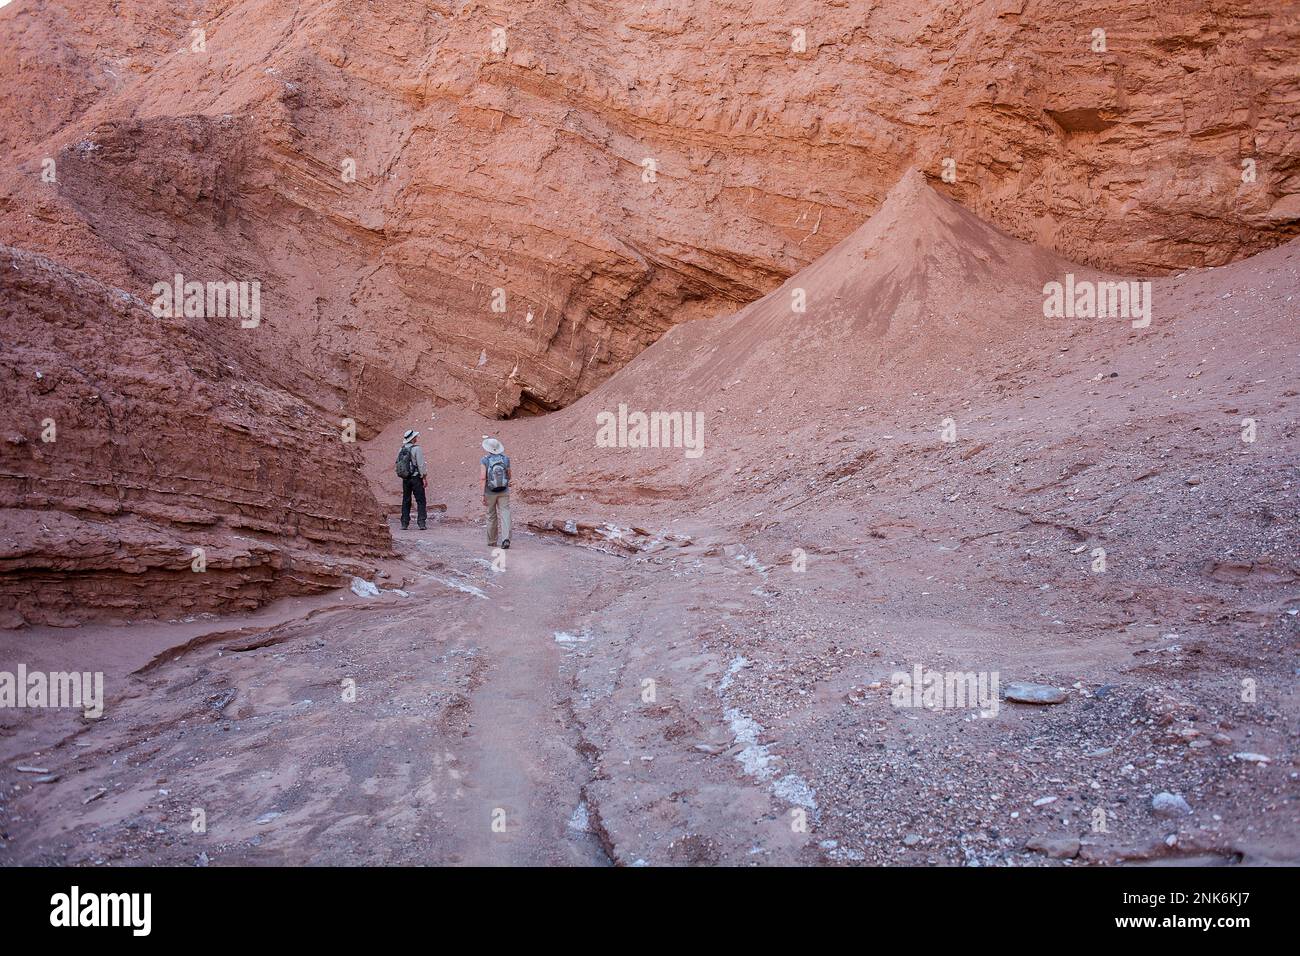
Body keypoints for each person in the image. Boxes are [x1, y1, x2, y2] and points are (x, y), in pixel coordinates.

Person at [480, 437, 511, 549]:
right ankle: (506, 538)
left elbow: (483, 478)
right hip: (504, 490)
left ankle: (492, 541)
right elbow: (509, 475)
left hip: (490, 491)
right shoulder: (506, 459)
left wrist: (482, 494)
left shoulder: (485, 460)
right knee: (505, 513)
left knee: (491, 515)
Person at [396, 429, 428, 530]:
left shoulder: (401, 449)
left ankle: (404, 523)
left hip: (405, 478)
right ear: (413, 438)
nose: (416, 438)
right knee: (420, 500)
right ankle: (421, 522)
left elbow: (398, 463)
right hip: (415, 477)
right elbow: (421, 464)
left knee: (406, 500)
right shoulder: (417, 449)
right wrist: (424, 477)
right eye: (415, 437)